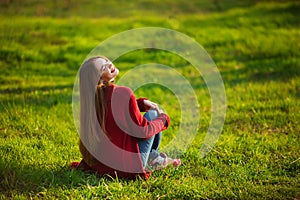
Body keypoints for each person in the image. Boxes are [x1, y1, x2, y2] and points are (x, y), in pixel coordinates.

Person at [70, 56, 180, 180]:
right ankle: (154, 158)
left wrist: (140, 104)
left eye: (107, 61)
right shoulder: (122, 93)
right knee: (152, 115)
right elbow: (143, 132)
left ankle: (154, 157)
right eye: (104, 67)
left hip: (101, 166)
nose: (110, 64)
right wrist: (163, 119)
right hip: (127, 168)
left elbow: (114, 112)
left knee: (146, 117)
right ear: (100, 79)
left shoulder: (91, 101)